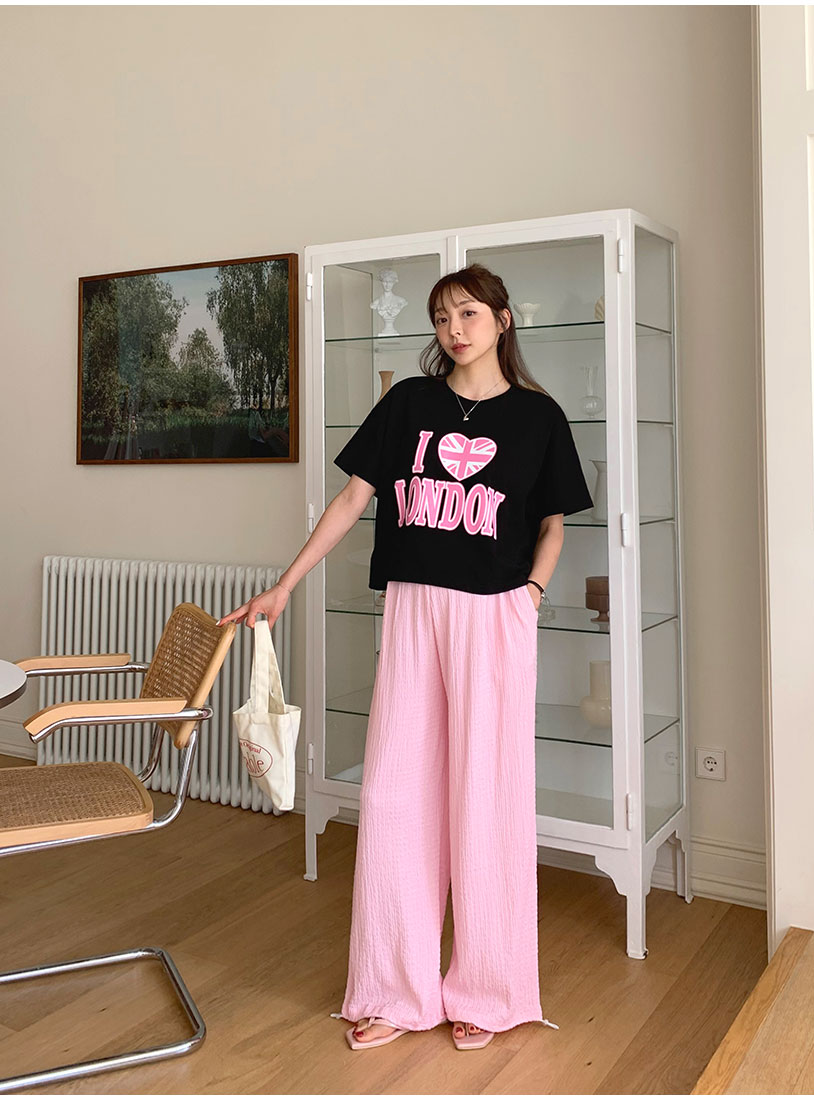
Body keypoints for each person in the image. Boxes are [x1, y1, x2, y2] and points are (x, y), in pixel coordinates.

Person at [218, 263, 594, 1051]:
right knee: (396, 793)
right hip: (414, 607)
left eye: (469, 313)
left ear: (503, 318)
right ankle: (394, 990)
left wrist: (530, 594)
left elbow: (553, 522)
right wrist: (284, 585)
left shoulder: (538, 416)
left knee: (487, 796)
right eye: (442, 317)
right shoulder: (410, 404)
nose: (455, 329)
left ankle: (487, 992)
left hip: (495, 614)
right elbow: (353, 499)